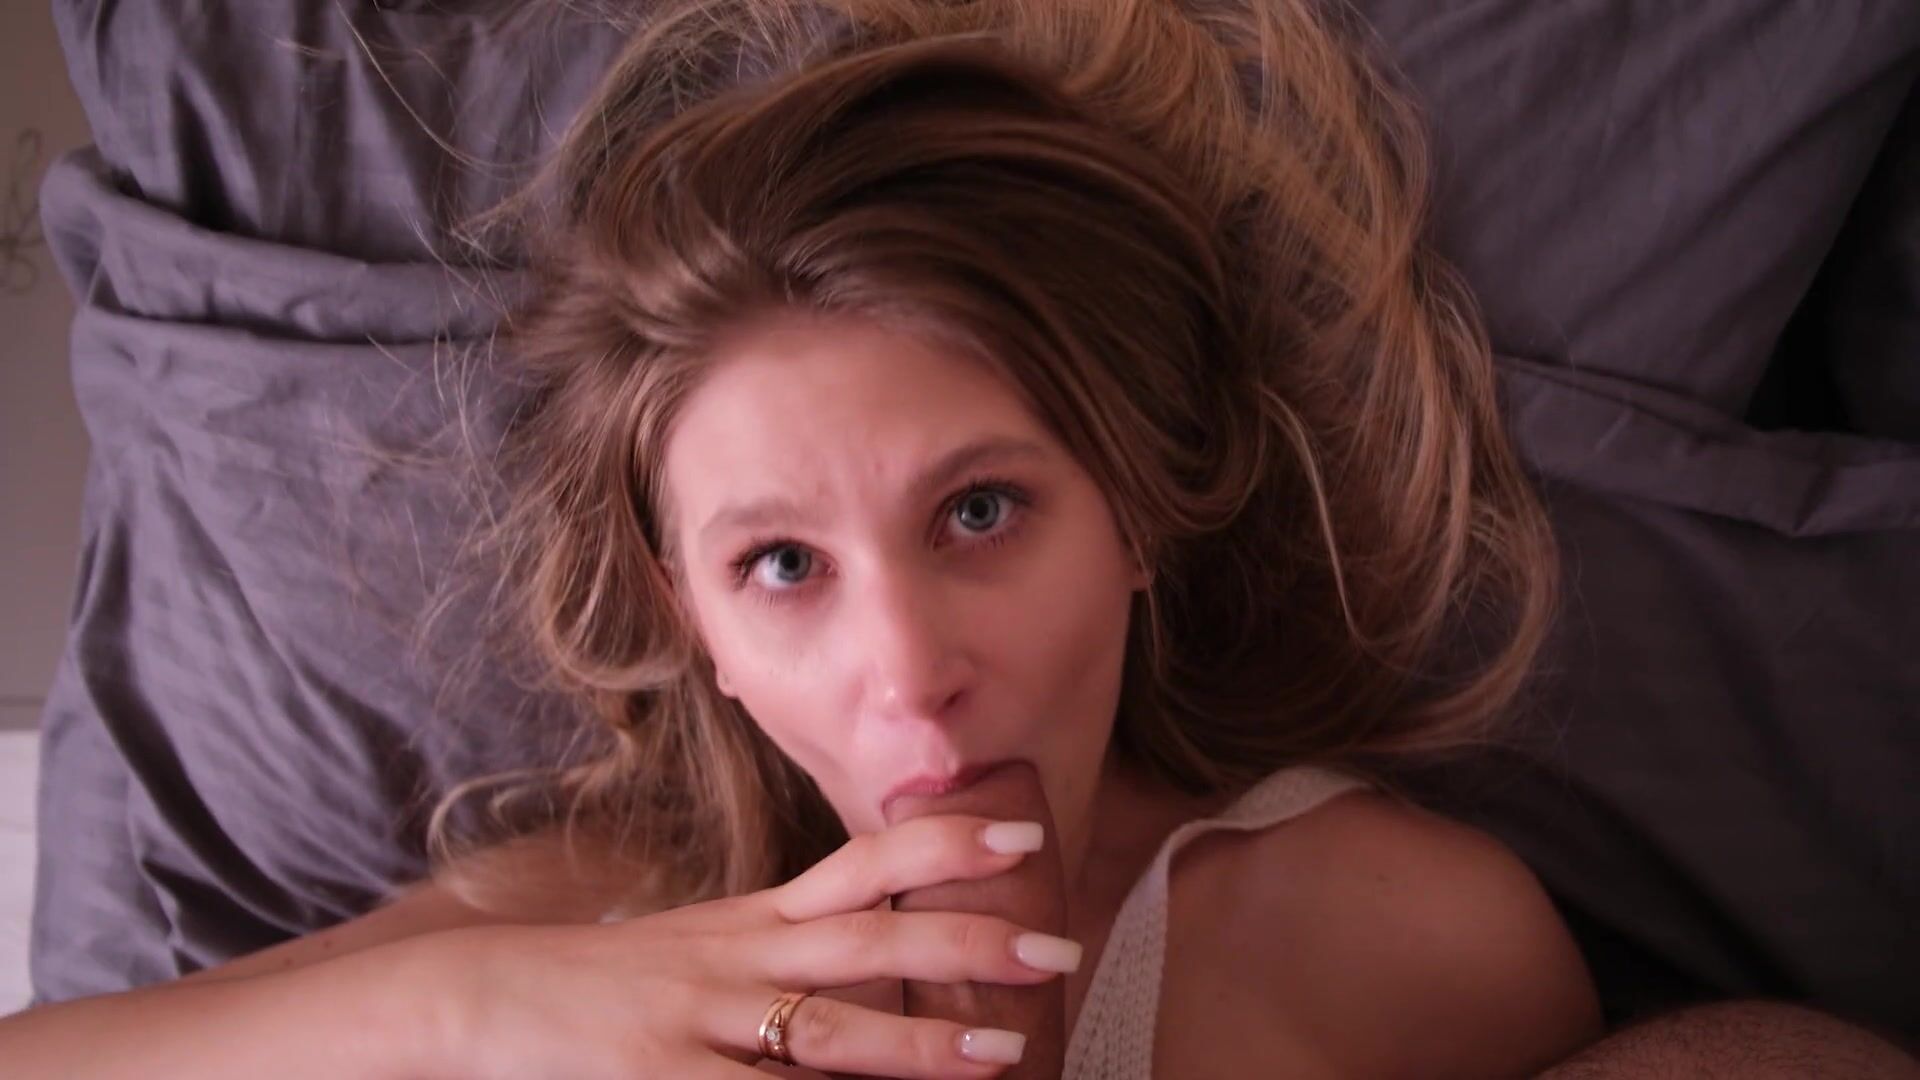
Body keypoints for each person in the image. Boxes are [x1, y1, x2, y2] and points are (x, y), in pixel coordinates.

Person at [2, 0, 1910, 1076]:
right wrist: (471, 1005)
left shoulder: (1383, 932)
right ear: (692, 616)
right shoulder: (597, 912)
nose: (910, 674)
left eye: (981, 511)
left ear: (1141, 512)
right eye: (783, 566)